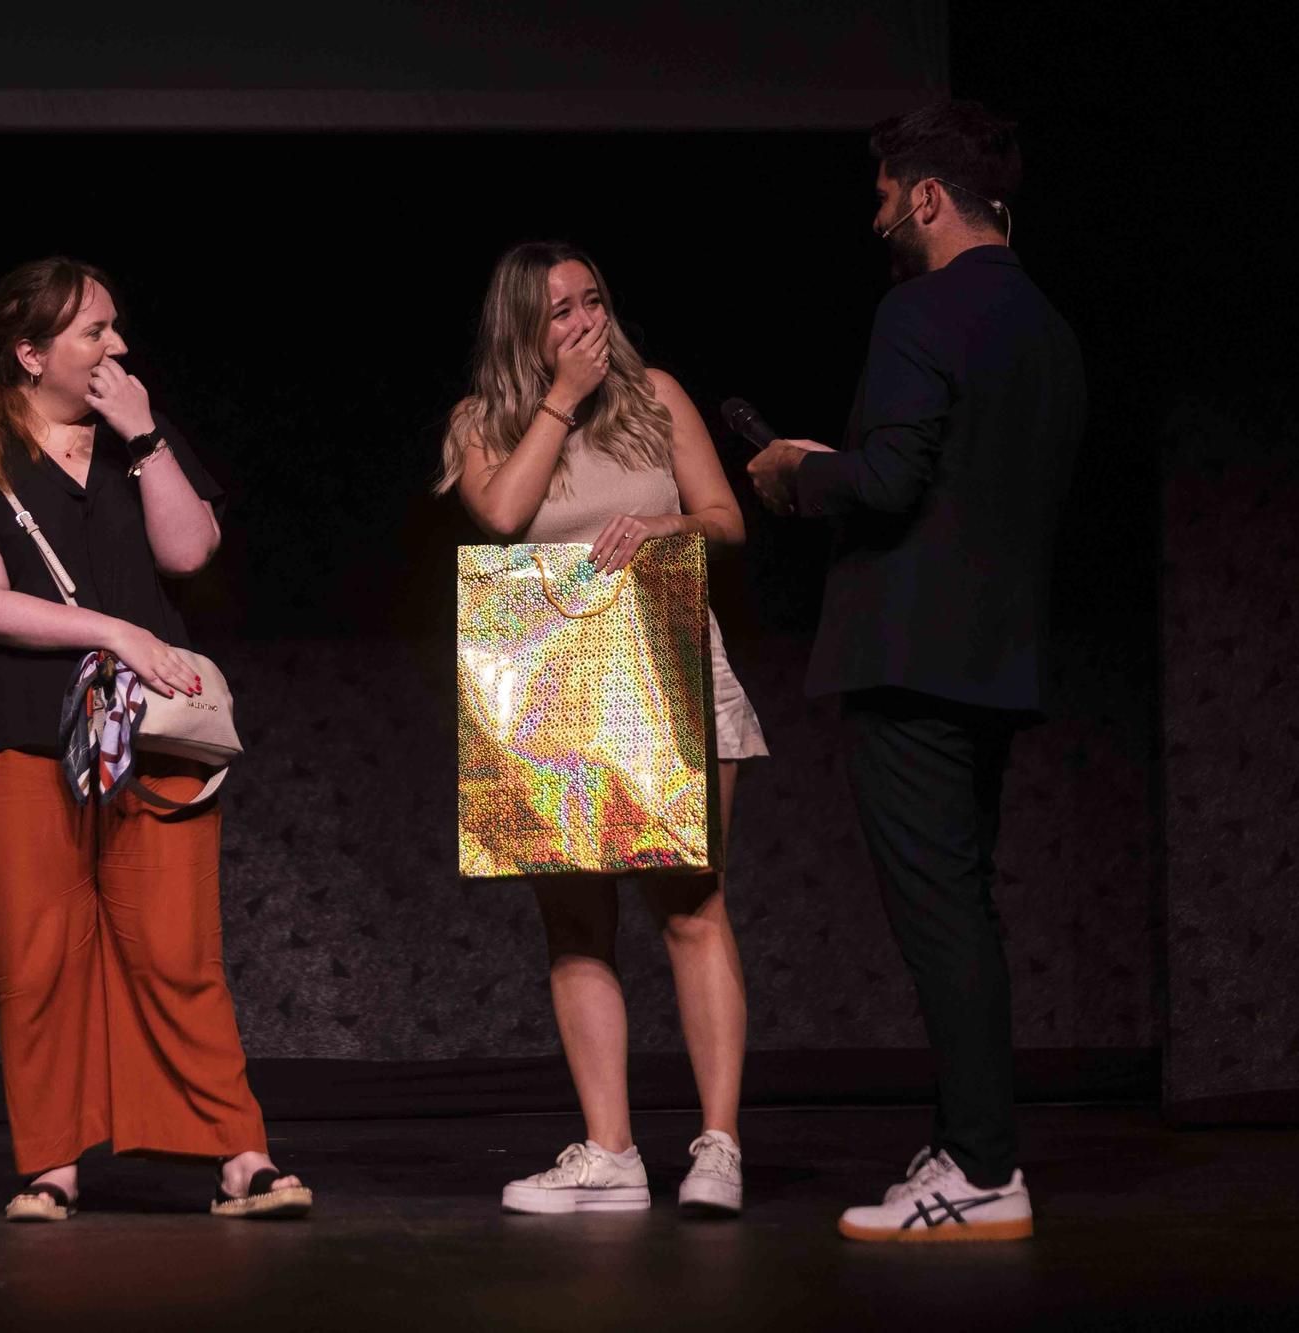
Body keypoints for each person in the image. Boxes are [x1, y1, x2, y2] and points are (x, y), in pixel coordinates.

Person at [0, 257, 309, 1222]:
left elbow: (189, 550)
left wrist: (146, 435)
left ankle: (239, 1155)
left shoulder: (136, 442)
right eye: (93, 333)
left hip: (150, 735)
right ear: (30, 353)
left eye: (116, 328)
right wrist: (116, 630)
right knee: (37, 956)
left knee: (177, 948)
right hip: (7, 731)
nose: (117, 347)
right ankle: (53, 1163)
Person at [746, 100, 1086, 1242]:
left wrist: (799, 471)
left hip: (909, 662)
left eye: (887, 192)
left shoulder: (917, 311)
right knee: (962, 909)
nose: (878, 211)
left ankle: (984, 1170)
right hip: (994, 660)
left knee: (941, 918)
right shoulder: (1045, 326)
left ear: (928, 199)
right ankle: (965, 1143)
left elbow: (888, 481)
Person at [441, 241, 767, 1216]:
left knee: (690, 907)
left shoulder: (654, 394)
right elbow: (500, 514)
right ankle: (610, 1151)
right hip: (553, 699)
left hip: (670, 677)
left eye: (591, 300)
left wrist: (661, 530)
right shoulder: (481, 422)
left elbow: (724, 518)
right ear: (519, 328)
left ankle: (717, 1147)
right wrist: (557, 401)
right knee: (576, 927)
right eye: (557, 311)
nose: (582, 321)